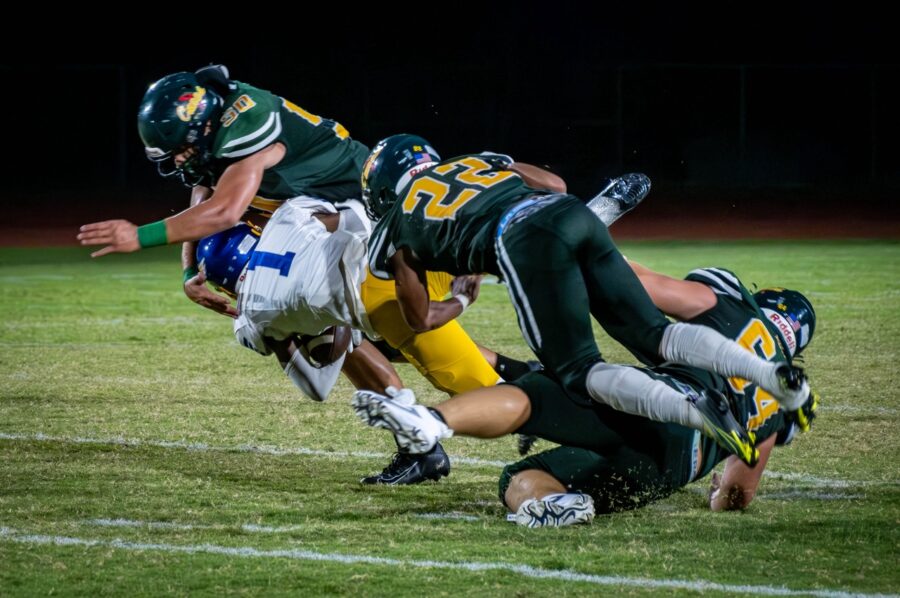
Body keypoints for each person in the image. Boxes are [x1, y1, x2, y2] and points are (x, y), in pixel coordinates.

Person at [360, 133, 812, 464]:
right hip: (572, 213)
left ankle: (691, 408)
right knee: (657, 333)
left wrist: (463, 301)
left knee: (577, 372)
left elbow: (419, 319)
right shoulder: (472, 161)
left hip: (523, 240)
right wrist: (507, 169)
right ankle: (768, 373)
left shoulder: (392, 232)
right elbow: (554, 184)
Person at [351, 268, 818, 526]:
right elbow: (737, 495)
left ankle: (433, 423)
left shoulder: (729, 302)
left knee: (535, 395)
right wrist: (716, 490)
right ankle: (555, 506)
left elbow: (626, 279)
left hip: (660, 404)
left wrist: (574, 246)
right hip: (670, 468)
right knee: (530, 459)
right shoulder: (782, 398)